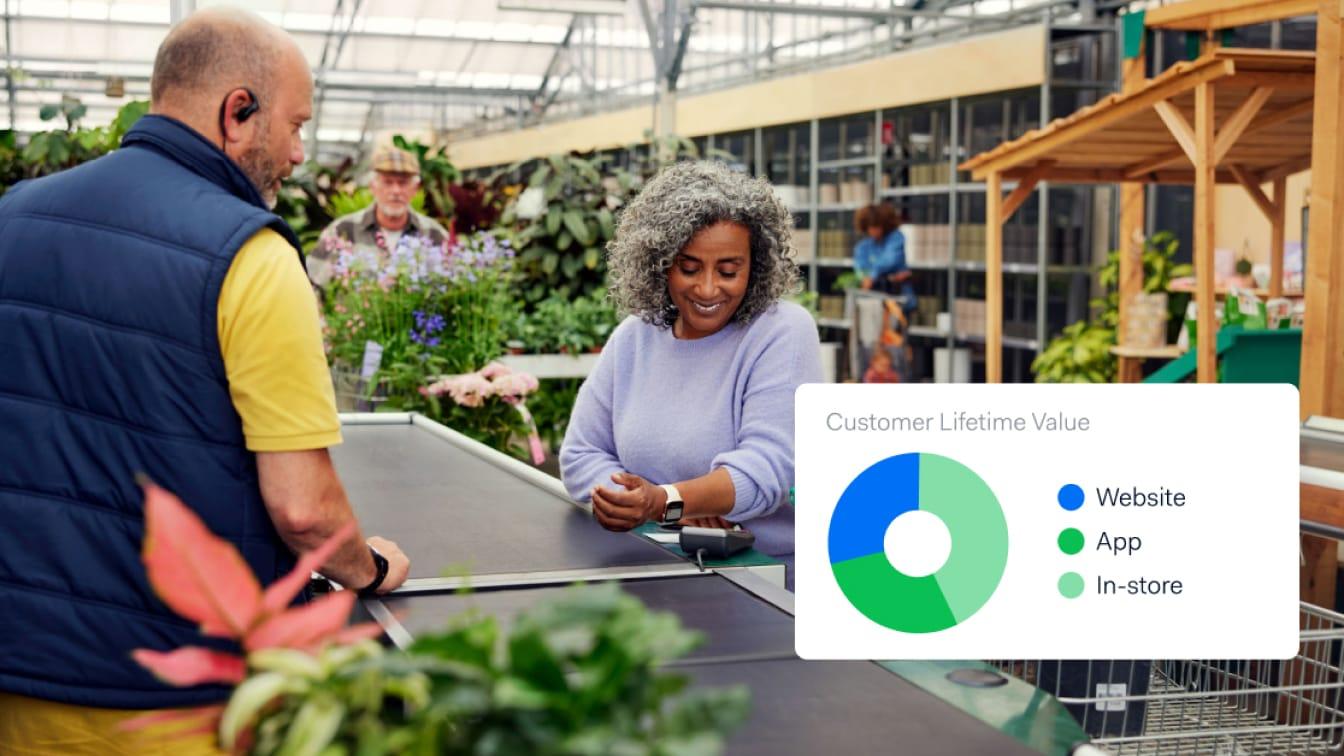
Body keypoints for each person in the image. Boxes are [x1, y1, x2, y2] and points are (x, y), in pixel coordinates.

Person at [0, 8, 408, 752]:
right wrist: (371, 567)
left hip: (16, 676)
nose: (298, 153)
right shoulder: (249, 254)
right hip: (169, 702)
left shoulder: (11, 218)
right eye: (294, 125)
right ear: (237, 112)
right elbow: (304, 512)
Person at [560, 161, 823, 589]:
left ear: (754, 267)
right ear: (660, 262)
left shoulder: (782, 332)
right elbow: (580, 454)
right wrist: (650, 503)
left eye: (728, 270)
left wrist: (665, 500)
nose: (706, 289)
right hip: (658, 566)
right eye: (689, 267)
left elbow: (768, 471)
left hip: (768, 585)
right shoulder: (634, 338)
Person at [306, 145, 450, 290]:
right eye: (387, 182)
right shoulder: (343, 230)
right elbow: (311, 285)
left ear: (415, 188)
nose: (396, 191)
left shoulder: (434, 234)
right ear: (373, 186)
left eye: (403, 183)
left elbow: (453, 287)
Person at [853, 203, 916, 314]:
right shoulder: (863, 247)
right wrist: (866, 277)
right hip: (874, 300)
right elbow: (860, 269)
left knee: (895, 328)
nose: (874, 231)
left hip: (898, 297)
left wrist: (873, 275)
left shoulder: (896, 238)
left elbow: (890, 260)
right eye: (871, 227)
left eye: (877, 227)